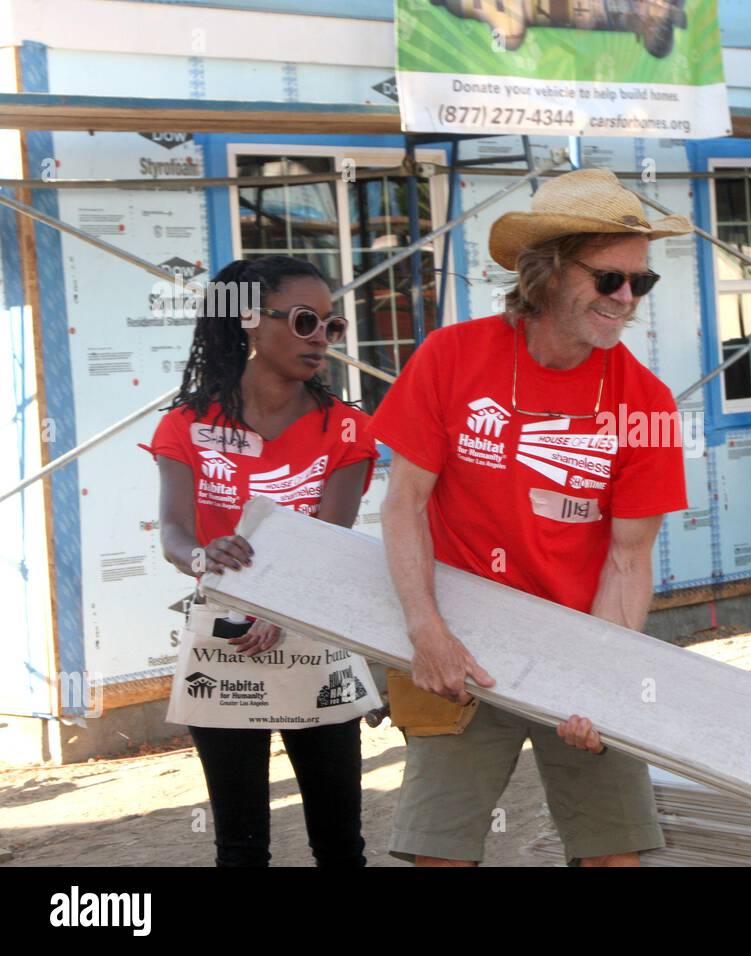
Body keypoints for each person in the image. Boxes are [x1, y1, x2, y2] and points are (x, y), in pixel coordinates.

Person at [369, 168, 690, 867]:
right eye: (610, 279)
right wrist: (427, 631)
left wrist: (597, 680)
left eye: (642, 282)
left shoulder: (648, 402)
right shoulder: (451, 357)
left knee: (615, 855)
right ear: (548, 272)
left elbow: (628, 559)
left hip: (580, 635)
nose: (628, 299)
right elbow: (404, 505)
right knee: (439, 853)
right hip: (462, 639)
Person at [142, 256, 379, 866]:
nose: (321, 338)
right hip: (223, 636)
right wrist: (200, 555)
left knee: (339, 845)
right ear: (249, 319)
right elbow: (173, 532)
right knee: (241, 848)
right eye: (305, 321)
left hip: (312, 631)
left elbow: (330, 535)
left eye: (332, 324)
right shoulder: (187, 424)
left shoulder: (347, 429)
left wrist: (282, 606)